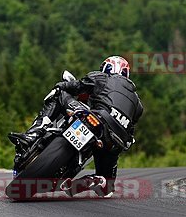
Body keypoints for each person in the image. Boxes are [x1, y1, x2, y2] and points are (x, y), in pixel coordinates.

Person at [9, 56, 144, 198]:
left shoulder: (101, 77)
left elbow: (75, 86)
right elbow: (131, 130)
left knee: (60, 94)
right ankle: (92, 181)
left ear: (106, 68)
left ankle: (34, 133)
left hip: (96, 119)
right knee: (108, 187)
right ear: (126, 73)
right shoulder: (138, 104)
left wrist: (59, 86)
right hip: (114, 141)